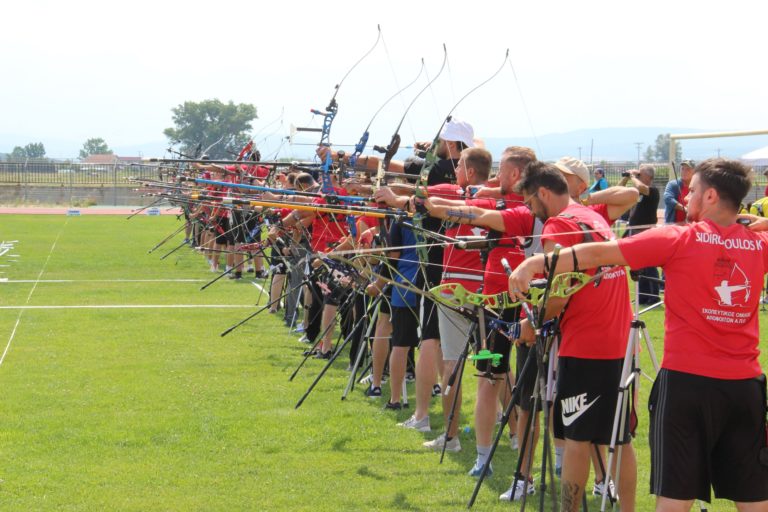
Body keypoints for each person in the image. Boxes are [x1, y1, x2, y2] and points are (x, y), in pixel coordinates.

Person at [510, 158, 768, 512]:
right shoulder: (760, 244)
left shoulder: (677, 237)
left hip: (687, 386)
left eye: (692, 191)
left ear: (709, 196)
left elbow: (601, 252)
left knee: (674, 499)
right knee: (754, 500)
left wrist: (535, 263)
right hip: (744, 388)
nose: (685, 198)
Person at [508, 161, 637, 511]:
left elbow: (559, 292)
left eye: (532, 202)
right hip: (619, 341)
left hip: (586, 346)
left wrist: (532, 323)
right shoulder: (590, 216)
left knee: (577, 438)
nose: (531, 211)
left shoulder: (557, 225)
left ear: (544, 193)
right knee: (619, 438)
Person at [620, 164, 661, 304]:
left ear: (648, 177)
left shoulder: (653, 191)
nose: (637, 175)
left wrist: (633, 176)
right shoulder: (637, 191)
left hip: (646, 231)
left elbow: (641, 188)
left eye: (640, 174)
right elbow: (618, 190)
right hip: (633, 229)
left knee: (649, 265)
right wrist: (626, 178)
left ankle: (654, 296)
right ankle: (642, 296)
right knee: (637, 264)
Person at [664, 160, 694, 224]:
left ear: (694, 172)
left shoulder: (696, 187)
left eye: (688, 169)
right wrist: (685, 209)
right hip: (673, 225)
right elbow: (668, 198)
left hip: (690, 225)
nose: (684, 172)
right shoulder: (673, 184)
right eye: (682, 169)